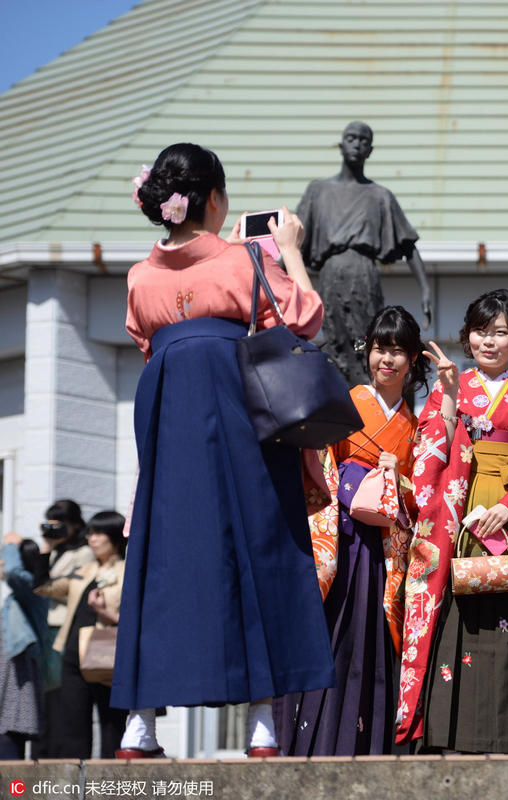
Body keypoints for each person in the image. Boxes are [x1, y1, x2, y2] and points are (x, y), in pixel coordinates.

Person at [115, 142, 335, 758]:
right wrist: (287, 248)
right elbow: (305, 318)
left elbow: (145, 340)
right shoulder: (245, 261)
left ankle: (140, 725)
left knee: (163, 553)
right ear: (213, 201)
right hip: (235, 404)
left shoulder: (139, 276)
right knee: (259, 544)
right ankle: (262, 726)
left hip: (166, 402)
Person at [396, 289, 508, 754]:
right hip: (462, 516)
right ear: (468, 337)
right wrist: (446, 394)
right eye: (481, 332)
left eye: (502, 332)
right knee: (457, 623)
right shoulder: (456, 386)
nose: (490, 341)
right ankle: (452, 736)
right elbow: (433, 453)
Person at [275, 305, 426, 755]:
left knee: (373, 640)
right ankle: (312, 740)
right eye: (381, 348)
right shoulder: (349, 400)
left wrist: (396, 479)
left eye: (398, 351)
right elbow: (321, 462)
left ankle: (365, 741)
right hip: (340, 536)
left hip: (383, 544)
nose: (388, 360)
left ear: (413, 359)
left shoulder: (414, 425)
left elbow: (421, 489)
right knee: (333, 631)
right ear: (369, 352)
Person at [298, 121, 433, 384]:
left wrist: (426, 289)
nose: (357, 143)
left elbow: (408, 246)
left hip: (364, 277)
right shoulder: (318, 191)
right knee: (334, 344)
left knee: (367, 343)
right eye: (351, 138)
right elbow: (292, 241)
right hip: (330, 279)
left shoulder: (380, 195)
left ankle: (368, 403)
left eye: (363, 140)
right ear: (341, 144)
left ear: (370, 150)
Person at [40, 512, 127, 759]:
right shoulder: (84, 569)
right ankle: (76, 787)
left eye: (99, 533)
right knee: (72, 724)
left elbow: (135, 621)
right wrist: (47, 547)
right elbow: (43, 587)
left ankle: (111, 787)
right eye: (90, 533)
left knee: (112, 723)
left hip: (106, 651)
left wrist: (104, 611)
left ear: (115, 539)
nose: (92, 539)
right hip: (73, 653)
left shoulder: (128, 571)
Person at [31, 499, 94, 760]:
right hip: (47, 628)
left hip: (64, 630)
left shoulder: (84, 553)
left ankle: (59, 753)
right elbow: (40, 584)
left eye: (61, 524)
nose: (57, 530)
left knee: (61, 696)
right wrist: (46, 546)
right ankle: (45, 751)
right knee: (46, 696)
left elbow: (65, 590)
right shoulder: (56, 551)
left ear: (76, 524)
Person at [0, 534, 51, 760]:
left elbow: (13, 573)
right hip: (12, 676)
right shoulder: (20, 597)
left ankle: (13, 793)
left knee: (10, 735)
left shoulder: (32, 590)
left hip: (17, 678)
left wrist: (11, 545)